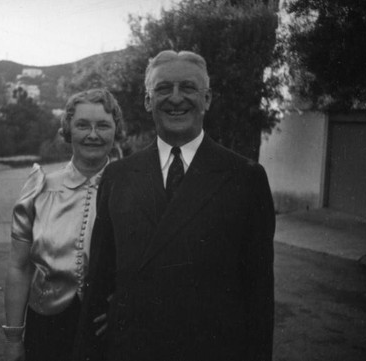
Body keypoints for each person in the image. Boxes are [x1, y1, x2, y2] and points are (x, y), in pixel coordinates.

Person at [75, 50, 275, 361]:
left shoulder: (246, 177)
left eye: (189, 88)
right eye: (164, 88)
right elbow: (99, 281)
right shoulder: (118, 176)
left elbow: (259, 294)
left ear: (206, 99)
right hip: (132, 349)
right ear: (147, 101)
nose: (176, 98)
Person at [2, 88, 123, 361]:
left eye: (103, 125)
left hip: (111, 328)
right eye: (82, 125)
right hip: (47, 329)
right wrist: (13, 339)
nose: (93, 134)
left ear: (117, 130)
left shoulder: (132, 189)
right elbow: (18, 267)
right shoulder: (40, 189)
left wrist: (125, 304)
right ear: (68, 130)